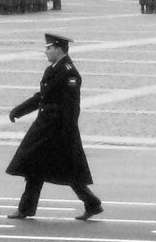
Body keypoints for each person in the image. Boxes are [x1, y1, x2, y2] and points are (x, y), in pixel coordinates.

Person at [6, 33, 101, 221]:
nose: (45, 52)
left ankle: (92, 203)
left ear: (58, 49)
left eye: (48, 48)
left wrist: (67, 132)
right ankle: (26, 209)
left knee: (67, 171)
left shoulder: (69, 73)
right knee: (35, 167)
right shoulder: (53, 69)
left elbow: (72, 107)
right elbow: (42, 97)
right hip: (45, 128)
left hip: (58, 131)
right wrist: (19, 110)